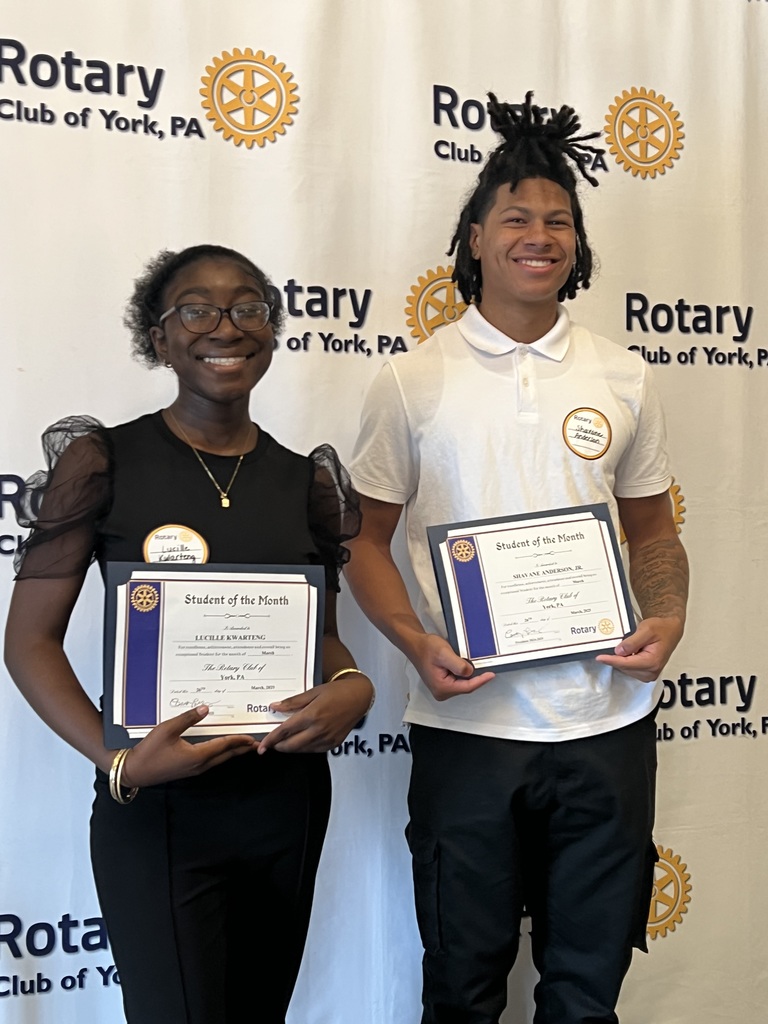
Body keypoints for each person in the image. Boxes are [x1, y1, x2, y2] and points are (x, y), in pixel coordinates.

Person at [344, 93, 689, 1024]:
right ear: (475, 237)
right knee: (463, 982)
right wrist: (415, 641)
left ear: (578, 243)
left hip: (606, 721)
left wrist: (667, 617)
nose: (540, 236)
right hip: (469, 727)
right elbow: (362, 540)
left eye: (559, 221)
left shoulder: (624, 374)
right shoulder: (412, 378)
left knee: (586, 989)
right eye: (517, 219)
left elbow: (655, 532)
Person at [4, 244, 374, 1024]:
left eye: (247, 308)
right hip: (157, 803)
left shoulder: (304, 480)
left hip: (285, 799)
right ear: (161, 338)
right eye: (196, 309)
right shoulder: (102, 461)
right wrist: (119, 759)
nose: (225, 327)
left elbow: (324, 640)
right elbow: (29, 642)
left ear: (270, 332)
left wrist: (353, 688)